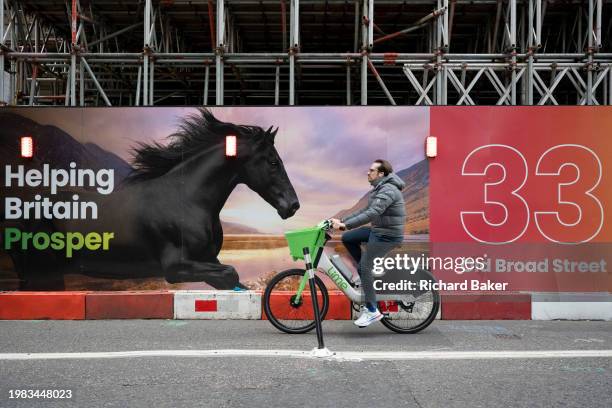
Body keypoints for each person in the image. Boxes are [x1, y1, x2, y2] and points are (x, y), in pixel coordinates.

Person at [331, 159, 406, 327]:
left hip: (388, 236)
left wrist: (345, 225)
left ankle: (372, 310)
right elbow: (364, 210)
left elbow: (373, 212)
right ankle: (364, 271)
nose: (367, 172)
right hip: (379, 231)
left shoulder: (388, 190)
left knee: (364, 267)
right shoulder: (378, 189)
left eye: (371, 170)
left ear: (381, 174)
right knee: (348, 238)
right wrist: (341, 221)